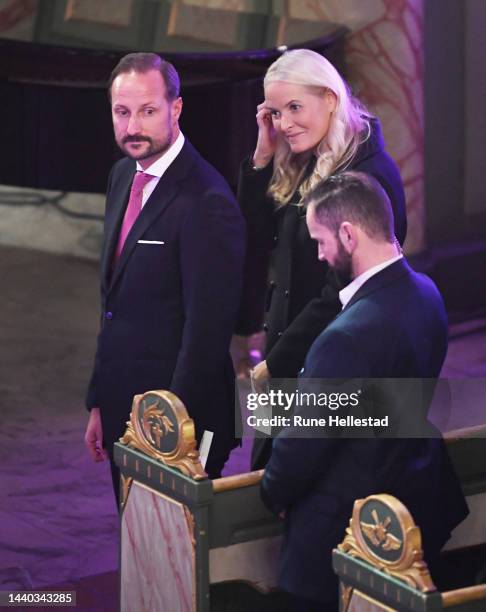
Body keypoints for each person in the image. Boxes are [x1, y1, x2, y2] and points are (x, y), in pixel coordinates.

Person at [260, 172, 469, 612]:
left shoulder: (345, 338)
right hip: (411, 503)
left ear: (349, 235)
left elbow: (303, 449)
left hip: (344, 534)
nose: (318, 254)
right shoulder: (427, 293)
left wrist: (272, 493)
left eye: (320, 241)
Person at [234, 48, 407, 470]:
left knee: (299, 480)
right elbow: (255, 236)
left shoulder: (365, 177)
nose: (284, 123)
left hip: (328, 361)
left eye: (295, 107)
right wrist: (261, 157)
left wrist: (276, 363)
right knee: (271, 479)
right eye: (275, 112)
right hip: (295, 350)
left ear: (330, 98)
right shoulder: (308, 159)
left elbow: (343, 291)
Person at [84, 53, 245, 497]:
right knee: (137, 546)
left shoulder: (207, 200)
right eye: (122, 112)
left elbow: (206, 333)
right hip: (123, 407)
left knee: (178, 552)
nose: (132, 125)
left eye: (147, 111)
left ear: (175, 109)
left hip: (179, 421)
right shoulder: (122, 176)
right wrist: (100, 400)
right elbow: (113, 304)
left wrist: (171, 427)